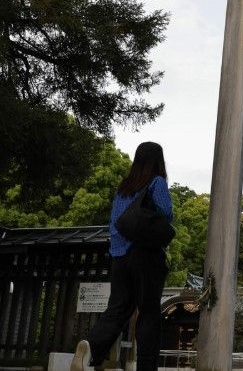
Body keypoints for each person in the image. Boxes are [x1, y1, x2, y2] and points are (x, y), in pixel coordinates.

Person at [71, 142, 173, 371]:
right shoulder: (156, 182)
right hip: (145, 253)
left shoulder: (124, 187)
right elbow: (166, 213)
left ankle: (91, 346)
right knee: (149, 312)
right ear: (158, 161)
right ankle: (146, 368)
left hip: (118, 256)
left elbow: (115, 223)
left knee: (117, 308)